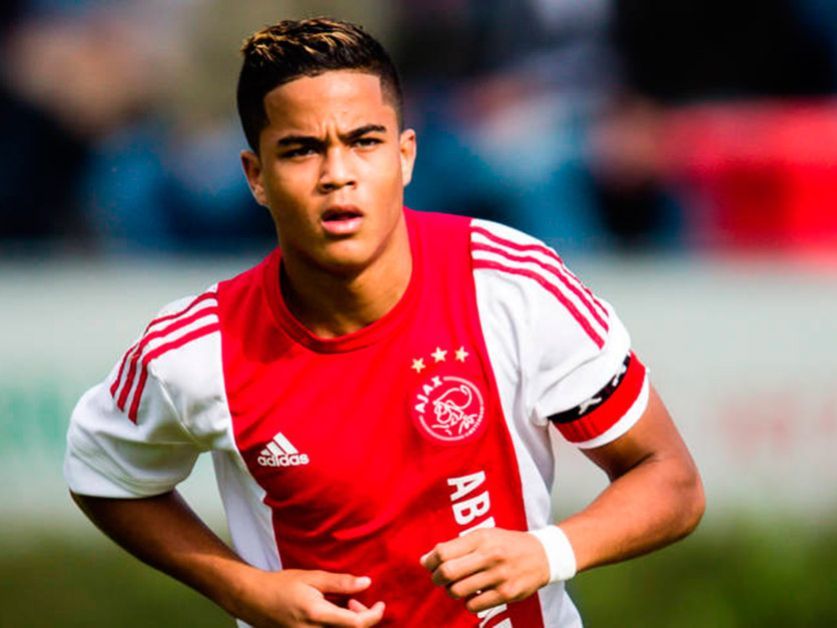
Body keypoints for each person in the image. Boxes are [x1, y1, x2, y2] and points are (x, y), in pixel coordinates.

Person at [64, 17, 704, 628]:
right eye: (301, 150)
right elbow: (101, 473)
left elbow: (669, 478)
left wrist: (549, 551)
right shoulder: (199, 348)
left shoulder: (513, 286)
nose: (337, 175)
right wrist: (242, 588)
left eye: (363, 142)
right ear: (256, 177)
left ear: (405, 155)